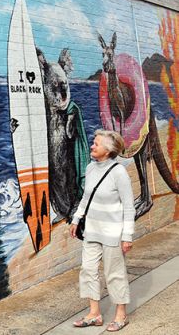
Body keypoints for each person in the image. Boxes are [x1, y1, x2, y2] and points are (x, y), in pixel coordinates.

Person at [69, 129, 136, 332]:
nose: (92, 146)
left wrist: (127, 236)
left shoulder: (119, 173)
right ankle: (94, 313)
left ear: (108, 150)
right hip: (92, 230)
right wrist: (76, 219)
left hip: (113, 233)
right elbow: (86, 197)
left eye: (96, 144)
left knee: (114, 273)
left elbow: (128, 206)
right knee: (88, 270)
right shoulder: (90, 168)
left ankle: (120, 315)